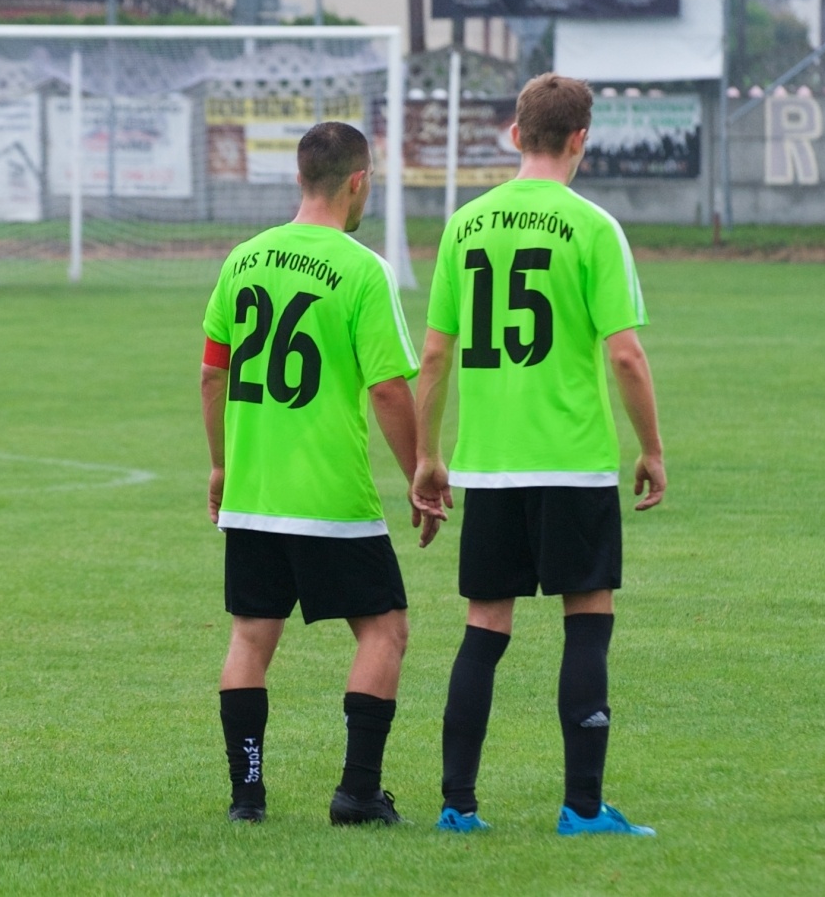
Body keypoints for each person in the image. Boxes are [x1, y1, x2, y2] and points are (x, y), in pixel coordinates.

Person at [411, 73, 665, 837]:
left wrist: (429, 456)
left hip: (487, 464)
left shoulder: (464, 225)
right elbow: (625, 356)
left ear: (515, 135)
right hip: (573, 461)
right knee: (587, 618)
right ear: (581, 139)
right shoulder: (592, 227)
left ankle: (458, 806)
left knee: (484, 627)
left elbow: (432, 355)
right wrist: (651, 448)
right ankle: (583, 809)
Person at [200, 121, 440, 827]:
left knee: (250, 637)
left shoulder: (242, 260)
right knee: (385, 629)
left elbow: (213, 375)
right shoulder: (362, 268)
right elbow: (391, 389)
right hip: (329, 495)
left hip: (253, 490)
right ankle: (357, 793)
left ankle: (248, 798)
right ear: (358, 182)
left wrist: (221, 466)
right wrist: (420, 473)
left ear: (300, 178)